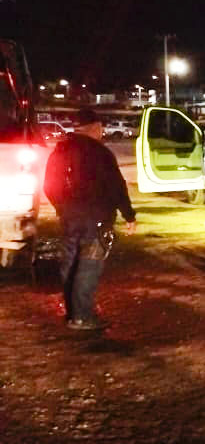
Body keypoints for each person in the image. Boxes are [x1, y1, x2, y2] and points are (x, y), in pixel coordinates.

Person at [44, 108, 136, 330]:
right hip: (96, 218)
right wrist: (129, 215)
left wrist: (62, 207)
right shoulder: (101, 153)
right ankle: (82, 316)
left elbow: (49, 185)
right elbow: (116, 186)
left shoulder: (61, 150)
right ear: (94, 128)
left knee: (70, 262)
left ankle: (73, 312)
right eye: (100, 128)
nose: (102, 132)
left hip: (69, 217)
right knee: (89, 265)